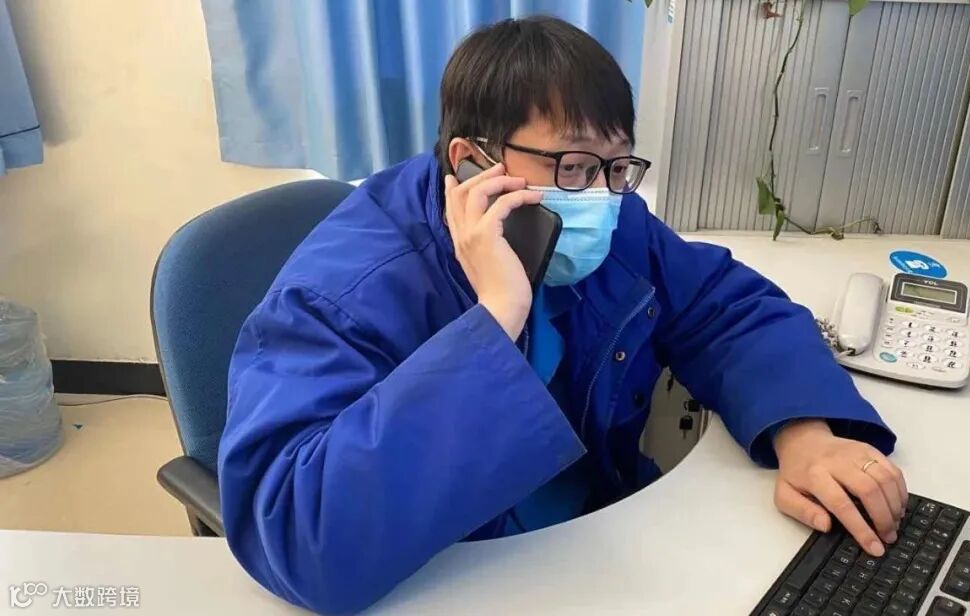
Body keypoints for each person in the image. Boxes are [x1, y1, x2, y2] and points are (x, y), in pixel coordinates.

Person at [219, 16, 906, 615]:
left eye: (617, 167)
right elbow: (298, 532)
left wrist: (804, 432)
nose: (601, 196)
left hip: (594, 546)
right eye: (574, 166)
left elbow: (724, 306)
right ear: (471, 162)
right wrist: (495, 318)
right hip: (450, 576)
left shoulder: (606, 218)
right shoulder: (348, 289)